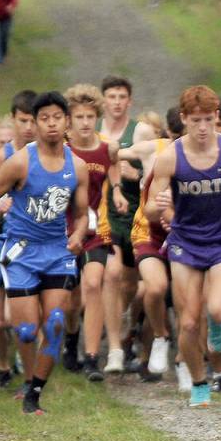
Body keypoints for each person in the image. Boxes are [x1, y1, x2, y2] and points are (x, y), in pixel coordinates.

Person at [0, 92, 89, 414]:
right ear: (35, 125)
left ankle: (34, 393)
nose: (51, 124)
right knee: (26, 330)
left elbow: (81, 214)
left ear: (66, 122)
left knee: (53, 323)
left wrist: (78, 234)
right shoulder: (21, 161)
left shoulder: (77, 167)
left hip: (57, 251)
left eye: (57, 117)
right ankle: (27, 380)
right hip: (21, 251)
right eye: (44, 118)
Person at [144, 86, 221, 407]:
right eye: (196, 121)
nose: (203, 127)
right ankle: (199, 382)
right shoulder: (169, 158)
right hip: (186, 243)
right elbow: (150, 209)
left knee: (219, 310)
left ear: (217, 118)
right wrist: (160, 204)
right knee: (189, 322)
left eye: (208, 119)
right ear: (183, 120)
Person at [63, 84, 129, 379]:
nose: (86, 123)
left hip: (95, 230)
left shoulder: (106, 148)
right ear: (69, 120)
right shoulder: (62, 150)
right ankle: (70, 338)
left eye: (91, 116)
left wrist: (116, 190)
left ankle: (91, 359)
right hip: (61, 231)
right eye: (79, 117)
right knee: (70, 299)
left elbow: (113, 166)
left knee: (93, 284)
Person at [97, 77, 156, 374]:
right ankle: (115, 350)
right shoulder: (95, 131)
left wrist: (134, 174)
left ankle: (127, 323)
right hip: (104, 211)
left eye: (122, 96)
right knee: (112, 273)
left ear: (129, 101)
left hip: (135, 211)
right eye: (112, 96)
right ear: (103, 100)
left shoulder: (141, 131)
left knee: (131, 282)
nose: (117, 102)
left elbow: (155, 167)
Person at [0, 94, 37, 390]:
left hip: (27, 244)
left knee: (24, 317)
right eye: (22, 120)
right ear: (13, 119)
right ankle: (2, 366)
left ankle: (27, 368)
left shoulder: (47, 155)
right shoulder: (1, 157)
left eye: (31, 120)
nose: (27, 126)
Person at [122, 105, 182, 382]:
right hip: (149, 229)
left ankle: (188, 363)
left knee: (187, 302)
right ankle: (160, 336)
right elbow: (113, 153)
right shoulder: (155, 151)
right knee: (154, 288)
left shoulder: (210, 153)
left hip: (187, 230)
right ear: (170, 132)